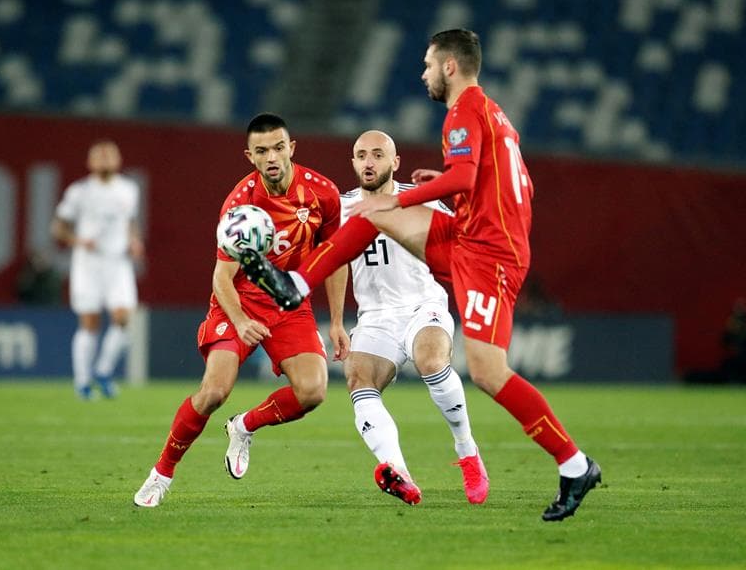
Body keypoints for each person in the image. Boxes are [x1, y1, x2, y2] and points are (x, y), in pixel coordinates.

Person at [240, 30, 601, 521]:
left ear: (450, 66)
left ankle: (570, 464)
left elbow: (467, 176)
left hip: (489, 254)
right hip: (470, 236)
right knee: (371, 212)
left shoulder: (463, 111)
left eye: (429, 65)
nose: (424, 73)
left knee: (488, 372)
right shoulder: (494, 114)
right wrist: (453, 194)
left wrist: (425, 194)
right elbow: (511, 184)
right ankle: (296, 286)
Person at [133, 113, 348, 508]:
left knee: (313, 391)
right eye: (262, 151)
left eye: (278, 148)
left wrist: (336, 321)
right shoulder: (240, 204)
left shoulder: (324, 193)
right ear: (249, 156)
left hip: (289, 304)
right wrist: (241, 320)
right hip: (239, 300)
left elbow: (335, 257)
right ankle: (161, 474)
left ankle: (244, 426)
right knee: (214, 392)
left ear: (291, 148)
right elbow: (221, 276)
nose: (272, 157)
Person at [336, 130, 488, 506]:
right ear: (353, 162)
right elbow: (333, 263)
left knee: (431, 360)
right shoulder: (340, 208)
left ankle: (467, 450)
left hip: (423, 305)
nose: (369, 162)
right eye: (361, 155)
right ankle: (399, 472)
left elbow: (464, 242)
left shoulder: (422, 199)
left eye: (378, 154)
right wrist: (337, 322)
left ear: (395, 162)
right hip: (375, 318)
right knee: (358, 378)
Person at [51, 140, 144, 400]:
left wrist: (134, 241)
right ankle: (82, 381)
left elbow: (130, 222)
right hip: (88, 264)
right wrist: (78, 240)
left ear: (118, 160)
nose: (105, 160)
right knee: (90, 322)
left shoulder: (129, 189)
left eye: (109, 155)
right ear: (90, 162)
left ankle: (102, 372)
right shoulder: (79, 192)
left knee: (123, 317)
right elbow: (58, 227)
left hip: (118, 262)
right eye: (99, 156)